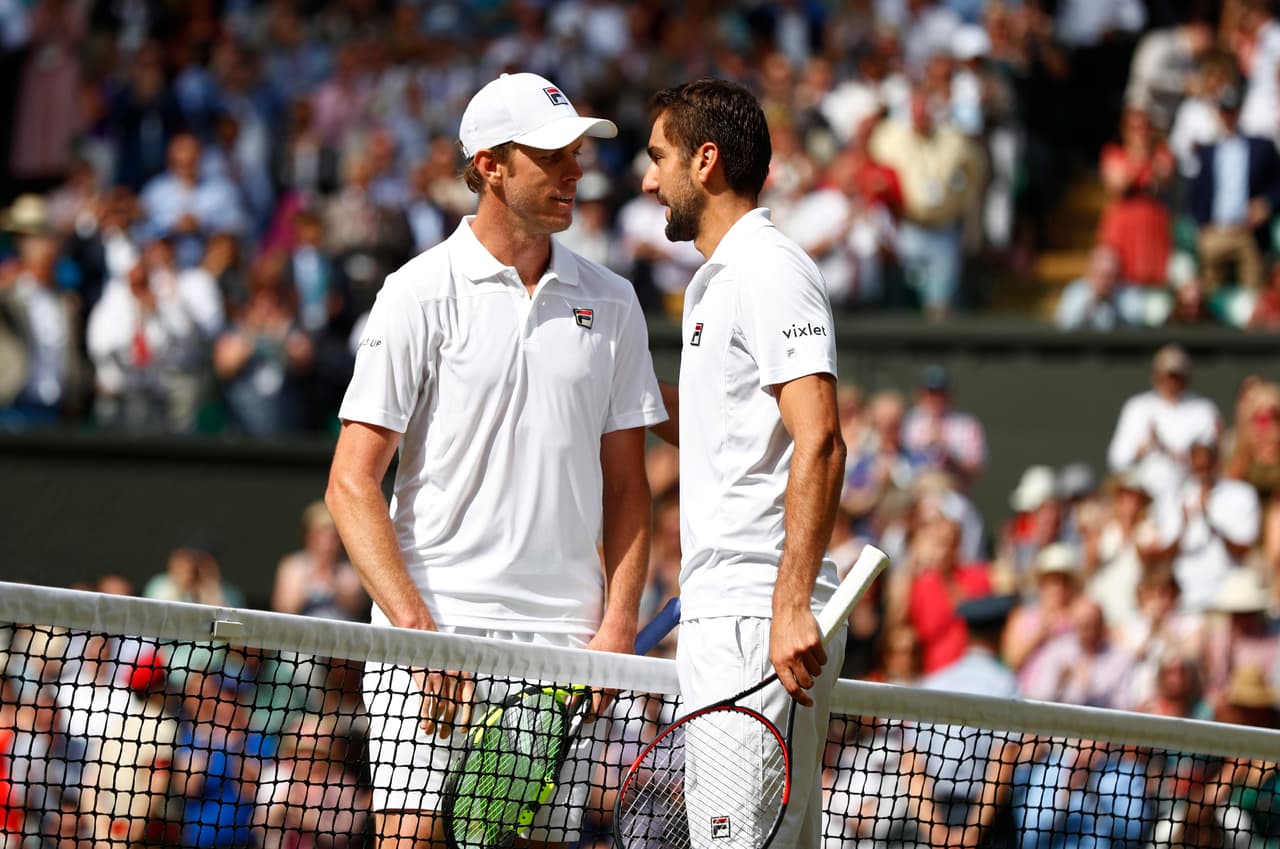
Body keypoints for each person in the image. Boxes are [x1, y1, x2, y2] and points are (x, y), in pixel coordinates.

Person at [324, 72, 665, 849]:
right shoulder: (416, 292)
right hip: (435, 627)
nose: (575, 169)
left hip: (564, 642)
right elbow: (350, 483)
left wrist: (617, 626)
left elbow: (627, 486)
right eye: (551, 155)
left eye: (576, 151)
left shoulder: (614, 301)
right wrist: (418, 630)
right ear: (490, 164)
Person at [640, 78, 847, 849]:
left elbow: (821, 437)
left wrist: (789, 604)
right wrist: (612, 393)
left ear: (706, 160)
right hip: (729, 609)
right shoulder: (713, 282)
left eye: (658, 156)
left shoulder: (769, 267)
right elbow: (718, 427)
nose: (647, 178)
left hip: (756, 611)